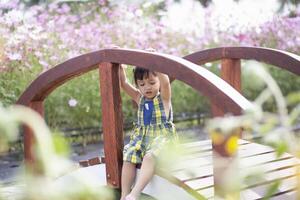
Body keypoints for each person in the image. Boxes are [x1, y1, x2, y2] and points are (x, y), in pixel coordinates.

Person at [119, 64, 177, 200]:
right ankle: (124, 195)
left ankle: (135, 192)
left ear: (158, 82)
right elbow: (124, 83)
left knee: (149, 157)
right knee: (129, 156)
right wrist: (120, 67)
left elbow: (166, 81)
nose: (147, 87)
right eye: (142, 84)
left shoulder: (164, 98)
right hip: (142, 139)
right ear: (138, 85)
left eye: (152, 82)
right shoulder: (140, 98)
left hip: (162, 138)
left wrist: (155, 61)